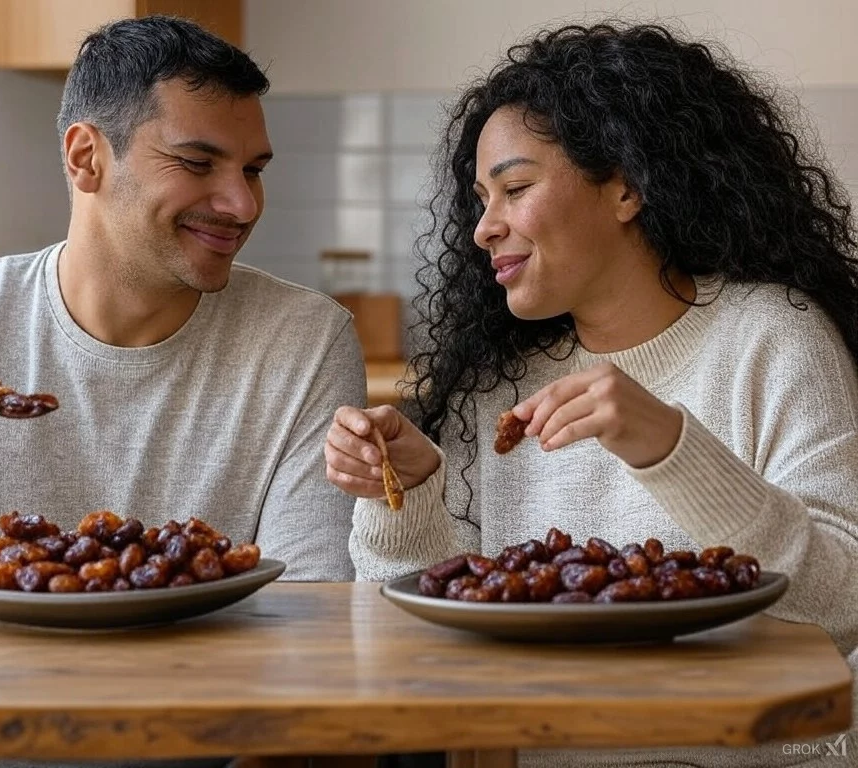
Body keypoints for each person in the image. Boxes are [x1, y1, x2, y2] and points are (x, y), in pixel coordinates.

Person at [325, 22, 858, 767]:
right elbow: (421, 646)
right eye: (481, 199)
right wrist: (409, 496)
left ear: (627, 187)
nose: (483, 229)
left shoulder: (772, 339)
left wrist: (670, 447)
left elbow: (839, 613)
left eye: (514, 188)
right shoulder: (498, 383)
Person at [0, 14, 366, 593]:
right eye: (196, 162)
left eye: (254, 171)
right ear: (86, 157)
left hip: (211, 685)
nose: (242, 204)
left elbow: (311, 609)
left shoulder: (306, 341)